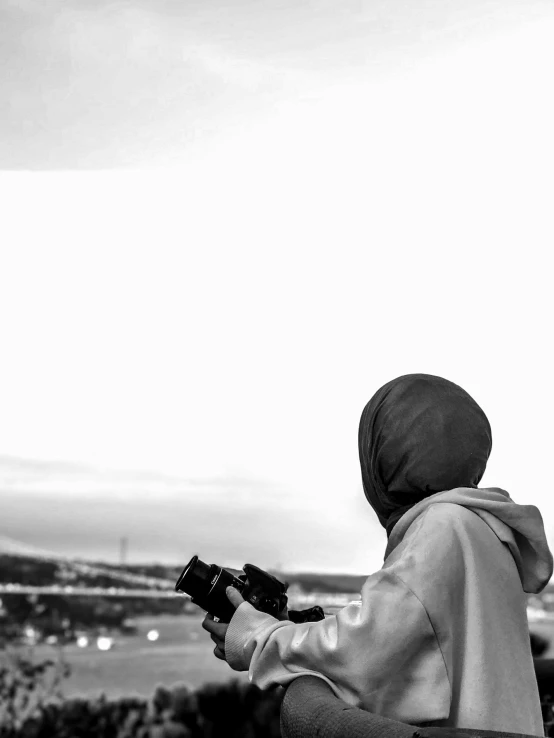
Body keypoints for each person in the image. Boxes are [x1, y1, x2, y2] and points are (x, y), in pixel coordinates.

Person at [202, 373, 552, 734]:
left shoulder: (442, 528)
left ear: (384, 456)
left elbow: (359, 654)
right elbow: (409, 638)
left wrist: (257, 638)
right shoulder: (485, 531)